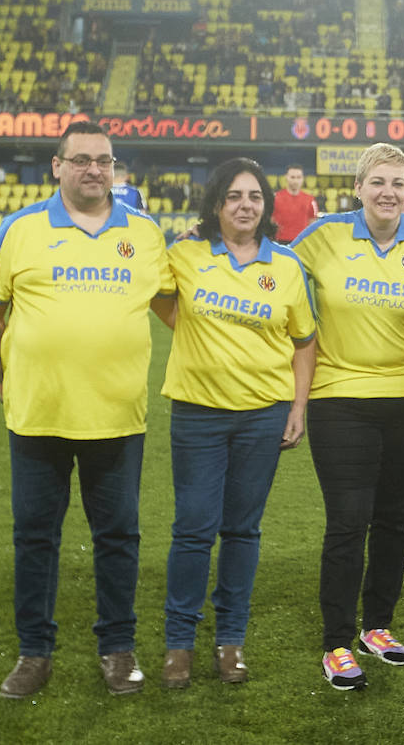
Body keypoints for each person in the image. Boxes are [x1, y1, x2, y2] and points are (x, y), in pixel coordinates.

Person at [0, 120, 174, 698]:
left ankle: (117, 649)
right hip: (37, 416)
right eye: (82, 159)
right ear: (56, 166)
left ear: (116, 167)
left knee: (118, 537)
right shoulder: (22, 229)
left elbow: (171, 308)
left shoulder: (144, 232)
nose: (95, 170)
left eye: (105, 160)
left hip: (117, 416)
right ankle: (34, 652)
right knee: (35, 537)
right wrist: (5, 384)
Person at [291, 144, 404, 691]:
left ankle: (378, 627)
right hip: (339, 399)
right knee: (348, 520)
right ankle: (337, 643)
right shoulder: (322, 237)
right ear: (359, 188)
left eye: (398, 183)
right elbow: (272, 278)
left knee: (394, 519)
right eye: (378, 182)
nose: (388, 192)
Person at [153, 158, 317, 688]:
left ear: (266, 205)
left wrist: (297, 407)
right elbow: (160, 298)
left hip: (262, 417)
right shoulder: (185, 253)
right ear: (216, 204)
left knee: (243, 530)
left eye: (254, 196)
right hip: (197, 414)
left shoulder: (287, 265)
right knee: (193, 529)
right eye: (234, 196)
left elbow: (304, 342)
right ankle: (179, 644)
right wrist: (192, 330)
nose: (245, 205)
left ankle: (231, 640)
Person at [271, 163, 318, 243]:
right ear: (286, 177)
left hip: (302, 243)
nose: (295, 181)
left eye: (298, 177)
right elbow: (270, 222)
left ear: (303, 179)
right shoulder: (275, 198)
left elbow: (313, 225)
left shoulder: (310, 200)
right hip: (279, 243)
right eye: (292, 177)